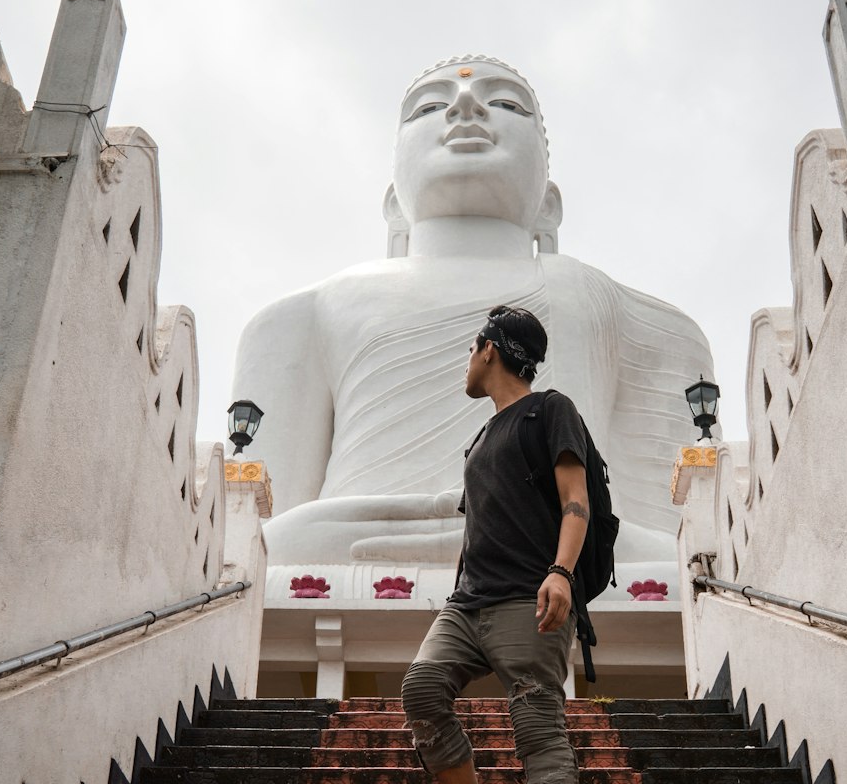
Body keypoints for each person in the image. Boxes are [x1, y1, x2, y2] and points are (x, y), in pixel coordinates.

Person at [231, 55, 714, 576]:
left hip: (556, 552)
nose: (465, 106)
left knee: (676, 560)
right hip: (349, 545)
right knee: (276, 542)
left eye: (505, 103)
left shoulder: (623, 311)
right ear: (395, 205)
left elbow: (679, 531)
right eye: (430, 107)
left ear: (548, 206)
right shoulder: (303, 315)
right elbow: (255, 525)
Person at [399, 304, 588, 784]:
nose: (467, 362)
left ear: (487, 351)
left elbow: (575, 501)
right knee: (423, 687)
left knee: (537, 719)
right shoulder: (481, 437)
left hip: (525, 597)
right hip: (469, 600)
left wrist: (560, 572)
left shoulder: (549, 409)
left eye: (469, 350)